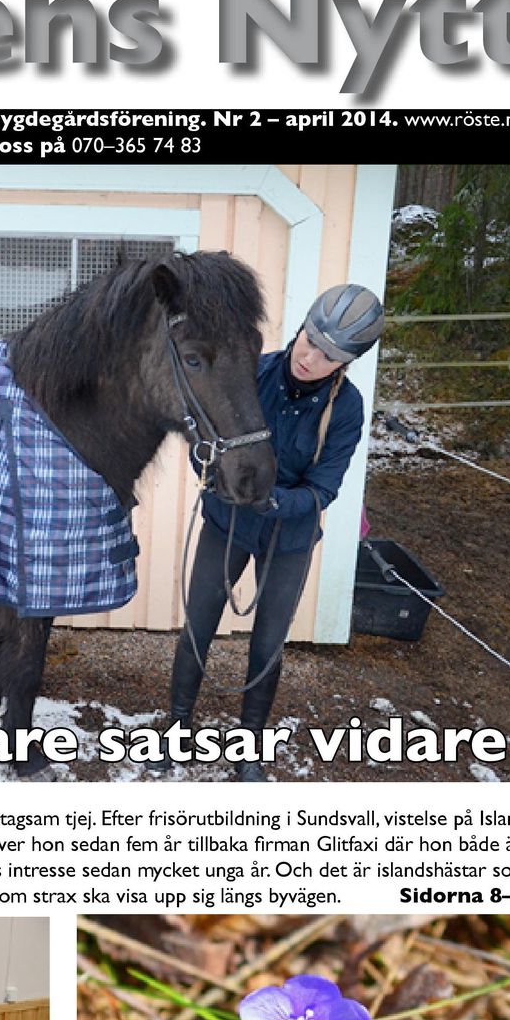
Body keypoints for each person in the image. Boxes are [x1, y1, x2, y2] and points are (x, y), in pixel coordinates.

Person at [164, 283, 385, 780]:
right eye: (309, 340)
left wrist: (277, 501)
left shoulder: (344, 409)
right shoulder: (254, 373)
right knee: (198, 624)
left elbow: (325, 487)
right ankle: (176, 728)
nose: (309, 357)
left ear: (345, 363)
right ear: (302, 327)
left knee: (267, 645)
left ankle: (248, 751)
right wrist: (221, 478)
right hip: (228, 521)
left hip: (289, 537)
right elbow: (212, 431)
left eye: (328, 356)